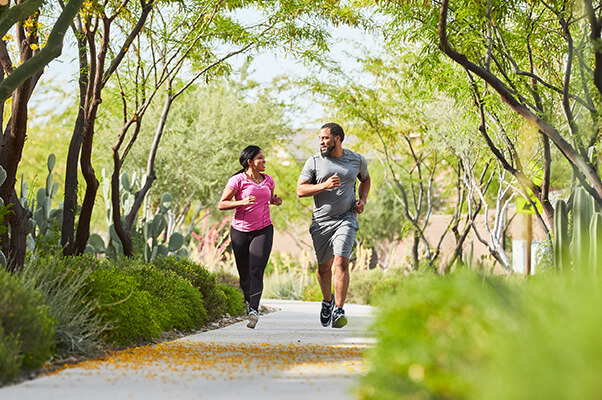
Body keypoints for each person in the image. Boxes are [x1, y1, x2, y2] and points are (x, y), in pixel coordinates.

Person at [297, 122, 371, 328]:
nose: (321, 142)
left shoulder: (356, 160)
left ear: (337, 138)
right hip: (321, 222)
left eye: (325, 138)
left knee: (341, 262)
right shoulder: (314, 162)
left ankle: (339, 310)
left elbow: (365, 180)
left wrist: (362, 200)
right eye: (320, 138)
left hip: (346, 218)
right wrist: (324, 185)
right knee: (323, 268)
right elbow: (300, 190)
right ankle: (327, 302)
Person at [218, 145, 282, 329]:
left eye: (264, 158)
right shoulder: (237, 180)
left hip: (263, 229)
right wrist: (242, 202)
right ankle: (248, 302)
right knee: (244, 273)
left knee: (256, 270)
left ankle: (254, 310)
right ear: (250, 162)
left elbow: (264, 198)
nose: (264, 161)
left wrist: (273, 201)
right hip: (240, 231)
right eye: (260, 158)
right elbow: (222, 204)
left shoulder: (269, 181)